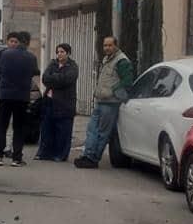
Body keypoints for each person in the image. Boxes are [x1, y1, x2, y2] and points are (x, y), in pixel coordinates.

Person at [74, 36, 133, 169]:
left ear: (116, 46)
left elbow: (127, 81)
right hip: (101, 101)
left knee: (102, 132)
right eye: (105, 45)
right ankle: (87, 155)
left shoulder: (122, 61)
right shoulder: (107, 59)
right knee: (91, 129)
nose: (107, 48)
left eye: (109, 45)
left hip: (111, 103)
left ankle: (93, 159)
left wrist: (112, 91)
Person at [0, 31, 40, 167]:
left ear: (17, 41)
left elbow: (0, 70)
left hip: (5, 96)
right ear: (28, 43)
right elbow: (35, 72)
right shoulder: (31, 57)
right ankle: (17, 158)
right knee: (19, 128)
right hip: (22, 97)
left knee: (1, 126)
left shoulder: (4, 54)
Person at [36, 43, 79, 162]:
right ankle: (45, 153)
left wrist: (53, 78)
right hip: (49, 101)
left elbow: (66, 80)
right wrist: (56, 78)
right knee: (47, 128)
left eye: (62, 52)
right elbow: (45, 78)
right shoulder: (53, 64)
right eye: (58, 52)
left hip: (64, 103)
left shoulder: (73, 66)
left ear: (68, 53)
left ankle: (61, 154)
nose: (59, 54)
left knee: (63, 131)